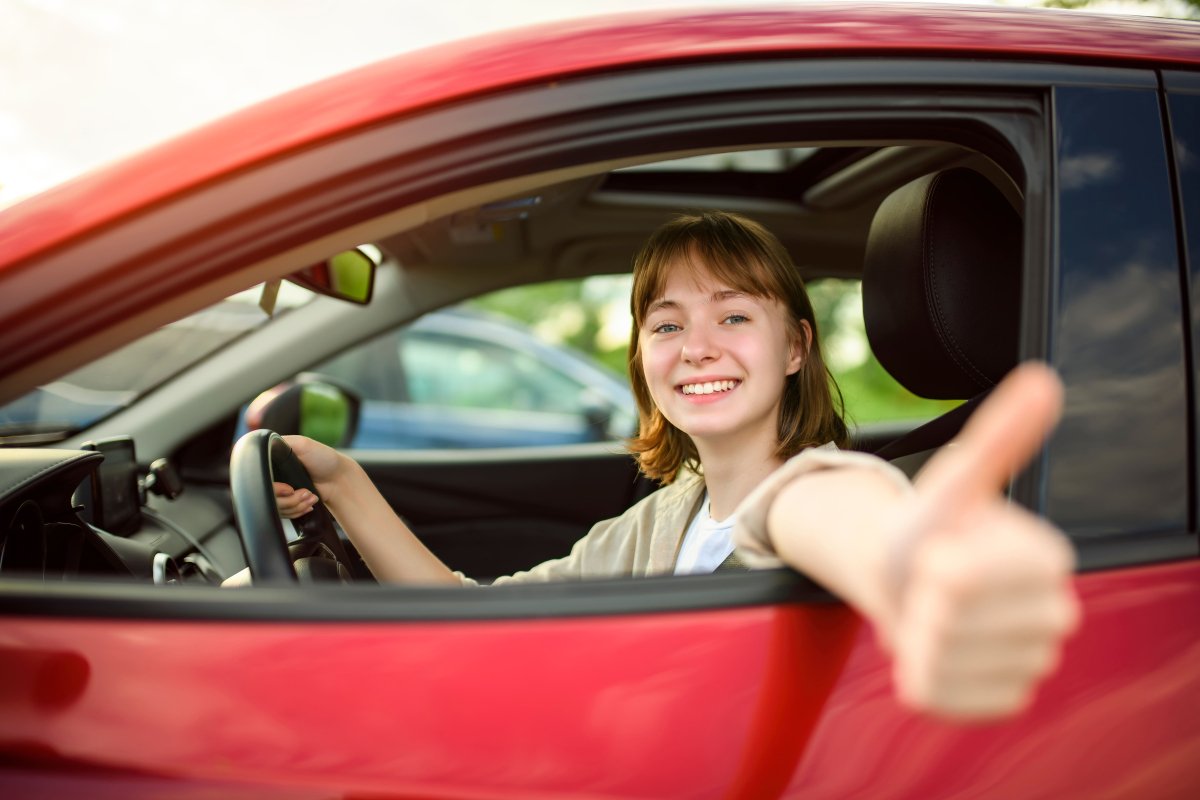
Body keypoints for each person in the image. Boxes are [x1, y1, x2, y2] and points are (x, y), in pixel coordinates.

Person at [270, 211, 1079, 720]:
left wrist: (911, 562)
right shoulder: (664, 516)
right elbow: (472, 613)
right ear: (642, 359)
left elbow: (829, 513)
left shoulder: (805, 488)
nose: (697, 348)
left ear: (796, 346)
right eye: (666, 326)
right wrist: (339, 478)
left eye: (733, 314)